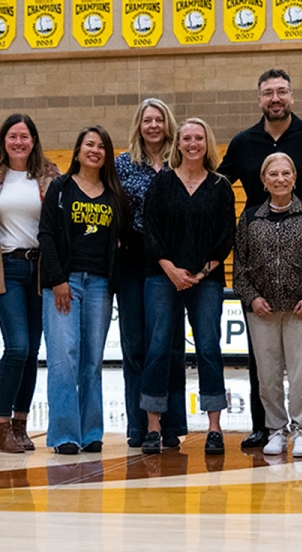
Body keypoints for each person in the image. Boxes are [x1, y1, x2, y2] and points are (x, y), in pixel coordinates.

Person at [217, 68, 302, 450]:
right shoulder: (243, 143)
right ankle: (267, 428)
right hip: (258, 250)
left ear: (291, 96)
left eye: (281, 92)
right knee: (264, 363)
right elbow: (217, 185)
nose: (275, 98)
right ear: (259, 99)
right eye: (268, 93)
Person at [140, 118, 235, 455]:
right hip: (161, 276)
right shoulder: (162, 183)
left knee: (208, 347)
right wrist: (171, 269)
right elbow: (149, 230)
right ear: (177, 144)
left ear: (206, 143)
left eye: (199, 138)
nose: (193, 144)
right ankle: (154, 427)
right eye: (187, 138)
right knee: (159, 347)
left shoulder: (220, 185)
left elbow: (226, 235)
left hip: (206, 280)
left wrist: (202, 270)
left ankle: (214, 427)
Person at [233, 152, 302, 458]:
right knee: (268, 374)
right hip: (261, 310)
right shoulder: (250, 217)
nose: (280, 179)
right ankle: (276, 430)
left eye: (285, 173)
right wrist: (252, 297)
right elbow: (239, 267)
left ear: (294, 177)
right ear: (264, 181)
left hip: (300, 309)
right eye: (273, 174)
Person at [0, 114, 61, 454]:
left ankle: (21, 425)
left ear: (34, 140)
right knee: (17, 347)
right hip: (4, 267)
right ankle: (1, 425)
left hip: (41, 270)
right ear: (3, 141)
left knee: (33, 352)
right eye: (13, 136)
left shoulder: (51, 176)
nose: (19, 142)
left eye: (25, 136)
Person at [38, 126, 125, 455]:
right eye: (89, 144)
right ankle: (64, 436)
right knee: (64, 358)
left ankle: (91, 432)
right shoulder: (60, 189)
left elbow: (123, 236)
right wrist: (58, 279)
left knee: (92, 361)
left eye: (102, 146)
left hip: (101, 285)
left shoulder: (113, 193)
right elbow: (46, 235)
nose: (95, 150)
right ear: (77, 151)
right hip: (65, 283)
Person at [115, 98, 189, 449]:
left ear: (168, 123)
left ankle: (170, 425)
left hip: (169, 265)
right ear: (138, 126)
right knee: (135, 347)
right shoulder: (122, 165)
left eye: (160, 119)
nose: (154, 125)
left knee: (169, 345)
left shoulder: (181, 163)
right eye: (147, 120)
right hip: (131, 263)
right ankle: (139, 425)